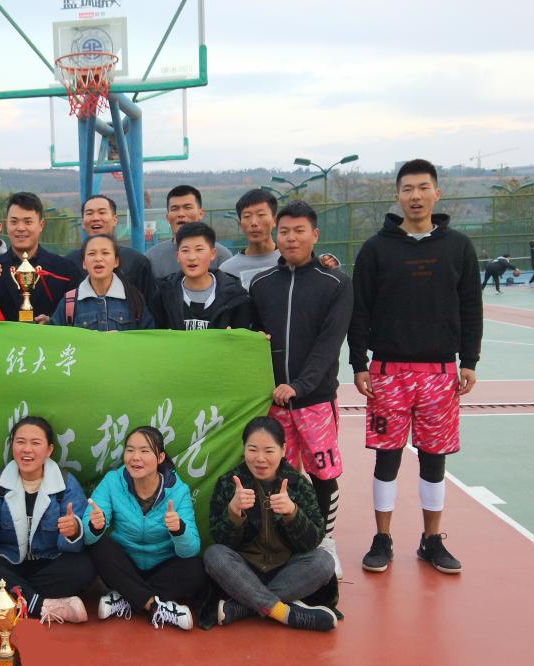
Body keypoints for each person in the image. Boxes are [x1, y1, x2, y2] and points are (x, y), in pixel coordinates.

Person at [348, 159, 482, 574]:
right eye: (408, 189)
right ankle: (382, 538)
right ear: (398, 195)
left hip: (440, 372)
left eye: (423, 188)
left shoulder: (458, 247)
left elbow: (471, 306)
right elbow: (359, 309)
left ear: (436, 193)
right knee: (386, 458)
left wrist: (469, 360)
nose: (416, 196)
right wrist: (358, 362)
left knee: (433, 458)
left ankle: (431, 540)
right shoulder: (376, 249)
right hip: (387, 371)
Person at [249, 201, 353, 579]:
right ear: (276, 235)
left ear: (315, 234)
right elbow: (251, 341)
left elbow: (329, 344)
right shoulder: (261, 284)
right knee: (280, 475)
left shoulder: (335, 283)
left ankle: (325, 541)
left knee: (323, 473)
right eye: (285, 231)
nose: (291, 238)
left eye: (299, 231)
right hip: (273, 403)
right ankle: (287, 542)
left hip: (315, 401)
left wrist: (299, 386)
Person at [201, 417, 338, 632]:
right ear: (244, 449)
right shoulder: (229, 483)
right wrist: (233, 512)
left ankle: (243, 606)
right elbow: (221, 540)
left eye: (269, 450)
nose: (260, 458)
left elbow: (313, 541)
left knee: (324, 561)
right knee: (214, 555)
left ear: (283, 450)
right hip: (244, 571)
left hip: (287, 570)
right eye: (252, 449)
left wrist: (293, 513)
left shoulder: (298, 484)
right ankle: (285, 613)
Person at [0, 416, 95, 624]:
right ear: (12, 446)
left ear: (49, 450)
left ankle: (15, 598)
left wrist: (73, 531)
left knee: (84, 566)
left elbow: (73, 546)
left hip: (49, 564)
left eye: (35, 443)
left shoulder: (66, 483)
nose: (27, 449)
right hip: (9, 562)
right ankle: (43, 606)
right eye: (20, 442)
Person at [83, 427, 204, 630]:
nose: (135, 457)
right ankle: (154, 606)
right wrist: (95, 526)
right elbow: (87, 537)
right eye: (130, 450)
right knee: (98, 545)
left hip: (162, 568)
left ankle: (128, 598)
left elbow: (190, 549)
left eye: (145, 451)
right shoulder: (113, 481)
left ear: (160, 457)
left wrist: (179, 530)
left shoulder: (178, 491)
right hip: (125, 566)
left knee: (196, 568)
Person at [0, 192, 78, 322]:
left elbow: (76, 316)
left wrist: (53, 322)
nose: (20, 228)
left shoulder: (65, 270)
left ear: (41, 225)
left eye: (28, 222)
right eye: (14, 222)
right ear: (6, 225)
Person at [152, 222, 250, 330]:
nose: (192, 257)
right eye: (185, 250)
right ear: (178, 256)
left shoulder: (236, 295)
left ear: (213, 254)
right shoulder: (162, 294)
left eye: (199, 250)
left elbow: (244, 334)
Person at [65, 194, 156, 304]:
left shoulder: (136, 261)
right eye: (89, 213)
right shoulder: (69, 263)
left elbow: (150, 307)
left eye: (102, 212)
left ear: (115, 220)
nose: (95, 218)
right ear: (83, 222)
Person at [50, 234, 154, 330]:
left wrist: (121, 339)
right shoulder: (69, 302)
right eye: (91, 254)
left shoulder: (134, 298)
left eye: (105, 253)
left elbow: (147, 338)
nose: (98, 258)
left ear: (116, 261)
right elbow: (57, 339)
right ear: (84, 263)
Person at [146, 185, 231, 279]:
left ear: (201, 213)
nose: (181, 214)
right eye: (174, 209)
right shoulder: (152, 258)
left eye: (187, 207)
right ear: (167, 217)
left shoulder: (221, 255)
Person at [220, 189, 282, 288]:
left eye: (261, 215)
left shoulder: (290, 261)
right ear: (240, 224)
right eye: (247, 216)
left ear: (275, 220)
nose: (254, 223)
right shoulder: (227, 271)